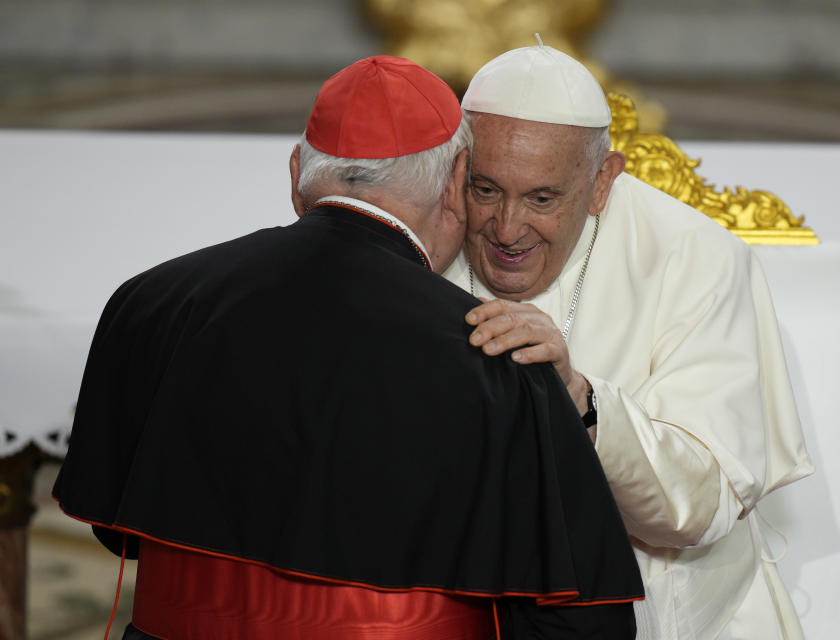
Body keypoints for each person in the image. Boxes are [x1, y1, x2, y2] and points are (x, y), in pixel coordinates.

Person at [52, 55, 645, 639]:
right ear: (455, 184)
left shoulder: (150, 302)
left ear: (296, 174)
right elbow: (580, 616)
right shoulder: (495, 351)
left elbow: (119, 527)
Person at [443, 42, 815, 640]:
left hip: (672, 617)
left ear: (601, 183)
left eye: (542, 198)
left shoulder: (696, 259)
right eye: (485, 190)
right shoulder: (427, 233)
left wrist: (582, 402)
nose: (507, 229)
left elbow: (701, 505)